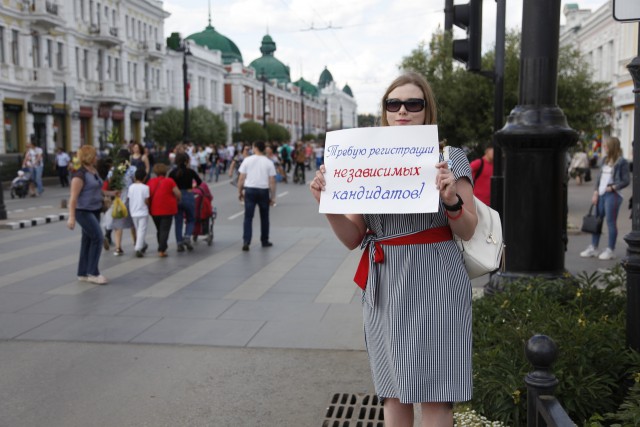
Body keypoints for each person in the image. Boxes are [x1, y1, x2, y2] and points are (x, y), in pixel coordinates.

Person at [309, 72, 477, 426]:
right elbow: (354, 236)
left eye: (413, 103)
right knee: (392, 390)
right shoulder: (363, 160)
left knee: (436, 393)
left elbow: (468, 226)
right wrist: (328, 204)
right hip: (383, 279)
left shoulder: (449, 157)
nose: (403, 111)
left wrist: (450, 200)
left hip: (436, 277)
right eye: (393, 103)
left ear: (426, 109)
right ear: (384, 110)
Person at [580, 136, 630, 261]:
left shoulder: (622, 162)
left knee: (610, 223)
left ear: (612, 147)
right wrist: (595, 192)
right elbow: (599, 179)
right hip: (601, 194)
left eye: (606, 145)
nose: (604, 147)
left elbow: (626, 180)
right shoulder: (604, 160)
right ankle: (594, 247)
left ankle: (610, 250)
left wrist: (613, 188)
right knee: (598, 220)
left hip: (613, 196)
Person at [66, 145, 108, 285]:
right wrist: (71, 217)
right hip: (83, 211)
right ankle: (93, 273)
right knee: (98, 237)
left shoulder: (93, 171)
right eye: (95, 155)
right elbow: (73, 198)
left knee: (87, 240)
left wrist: (111, 194)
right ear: (89, 157)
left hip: (95, 209)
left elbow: (97, 189)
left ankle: (83, 272)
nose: (97, 158)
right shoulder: (79, 175)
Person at [237, 140, 277, 251]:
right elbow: (272, 180)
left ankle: (246, 241)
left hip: (250, 190)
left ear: (255, 148)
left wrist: (240, 191)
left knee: (248, 217)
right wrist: (272, 197)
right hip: (263, 191)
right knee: (264, 217)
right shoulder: (269, 162)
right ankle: (264, 240)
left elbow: (241, 178)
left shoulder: (247, 160)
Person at [169, 152, 202, 252]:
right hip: (188, 195)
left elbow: (169, 185)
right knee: (191, 219)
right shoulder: (190, 171)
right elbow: (199, 182)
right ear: (187, 161)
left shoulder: (172, 172)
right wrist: (192, 186)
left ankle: (179, 243)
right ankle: (187, 237)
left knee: (178, 221)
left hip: (177, 197)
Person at [148, 163, 181, 257]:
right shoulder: (170, 181)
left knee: (159, 229)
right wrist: (178, 199)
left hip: (154, 210)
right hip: (168, 209)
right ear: (165, 171)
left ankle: (161, 246)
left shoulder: (151, 181)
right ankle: (162, 249)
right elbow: (177, 193)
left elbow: (148, 195)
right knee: (165, 229)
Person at [127, 168, 150, 258]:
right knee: (142, 230)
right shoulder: (145, 187)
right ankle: (138, 248)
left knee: (138, 229)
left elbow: (129, 198)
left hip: (133, 211)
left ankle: (143, 244)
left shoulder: (131, 187)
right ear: (144, 178)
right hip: (143, 211)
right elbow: (146, 200)